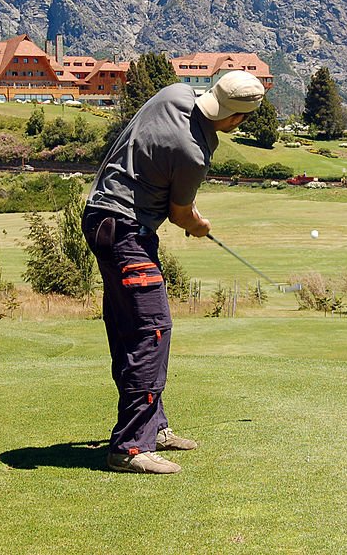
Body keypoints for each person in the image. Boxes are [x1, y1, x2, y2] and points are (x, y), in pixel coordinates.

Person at [81, 70, 265, 474]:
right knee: (152, 330)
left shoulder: (173, 92)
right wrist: (197, 225)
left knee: (132, 328)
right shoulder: (195, 152)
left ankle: (152, 427)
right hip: (127, 231)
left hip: (102, 220)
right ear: (236, 119)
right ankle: (130, 447)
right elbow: (179, 213)